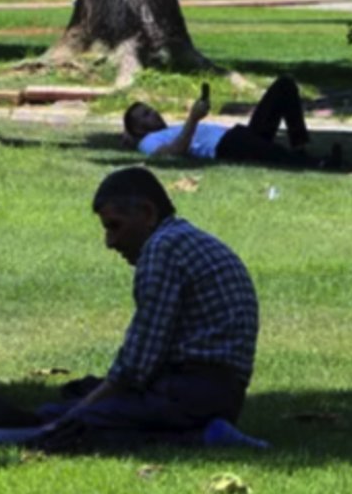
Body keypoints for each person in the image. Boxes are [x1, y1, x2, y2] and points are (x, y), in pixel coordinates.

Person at [34, 167, 266, 452]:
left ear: (147, 213)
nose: (110, 242)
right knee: (79, 394)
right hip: (216, 390)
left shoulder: (162, 249)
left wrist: (77, 414)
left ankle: (204, 437)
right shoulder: (183, 239)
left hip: (192, 392)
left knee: (78, 427)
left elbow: (136, 365)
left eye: (114, 226)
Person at [122, 75, 341, 170]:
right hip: (226, 145)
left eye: (151, 110)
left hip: (240, 135)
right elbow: (172, 153)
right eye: (145, 115)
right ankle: (318, 164)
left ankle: (300, 146)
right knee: (276, 156)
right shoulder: (148, 142)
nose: (154, 114)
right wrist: (193, 118)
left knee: (284, 86)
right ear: (138, 128)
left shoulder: (168, 129)